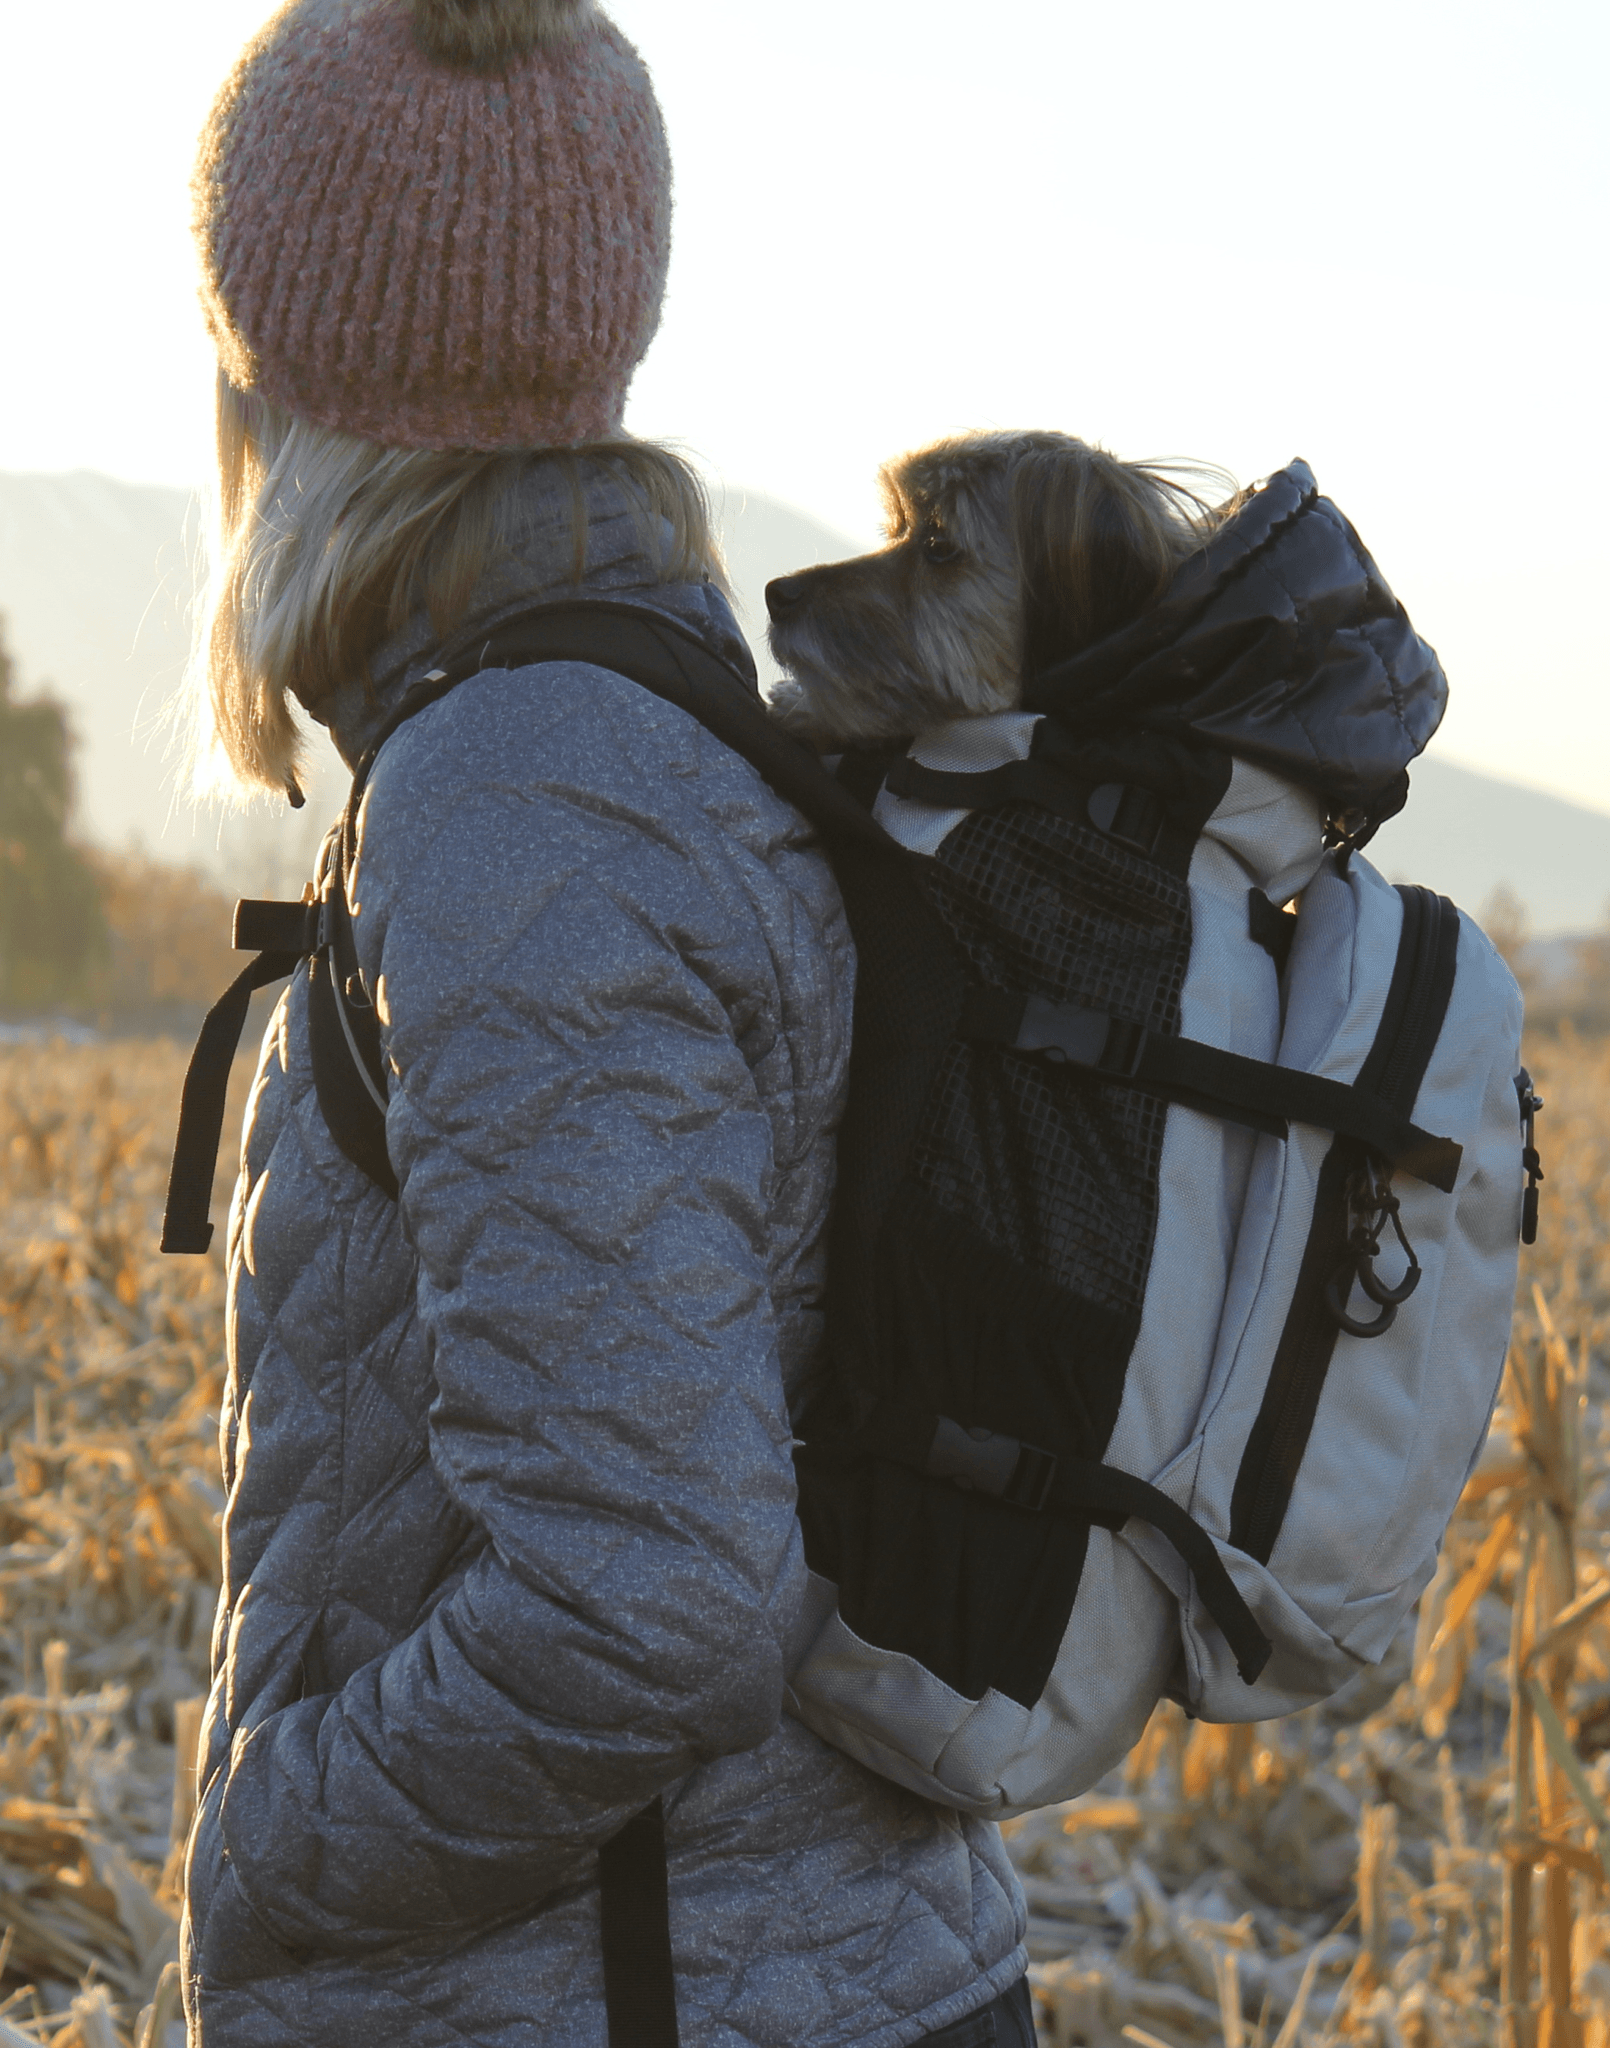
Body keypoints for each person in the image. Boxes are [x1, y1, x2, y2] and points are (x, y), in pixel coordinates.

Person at [177, 3, 1032, 2042]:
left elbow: (645, 1607)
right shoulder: (653, 720)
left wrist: (270, 1839)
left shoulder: (524, 801)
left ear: (272, 364)